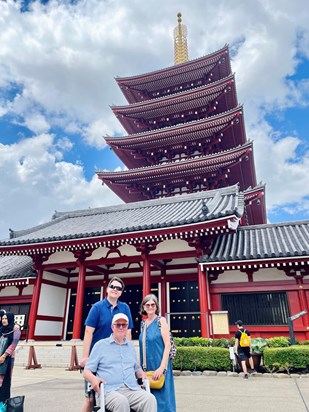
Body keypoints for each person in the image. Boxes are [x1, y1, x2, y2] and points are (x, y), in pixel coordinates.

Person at [83, 313, 157, 412]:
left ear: (127, 327)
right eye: (118, 325)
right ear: (112, 327)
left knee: (150, 399)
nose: (121, 327)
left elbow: (136, 368)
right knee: (121, 402)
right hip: (109, 391)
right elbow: (86, 372)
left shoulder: (130, 346)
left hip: (131, 389)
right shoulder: (100, 345)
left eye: (124, 325)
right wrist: (93, 379)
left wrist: (142, 374)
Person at [80, 277, 134, 412]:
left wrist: (129, 355)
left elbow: (128, 333)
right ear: (107, 289)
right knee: (90, 398)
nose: (115, 290)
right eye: (112, 287)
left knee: (120, 396)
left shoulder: (124, 308)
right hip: (98, 357)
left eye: (119, 288)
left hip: (117, 358)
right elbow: (88, 332)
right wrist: (86, 357)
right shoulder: (97, 307)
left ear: (121, 292)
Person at [139, 294, 176, 412]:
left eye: (152, 304)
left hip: (160, 364)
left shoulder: (161, 321)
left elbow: (168, 345)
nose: (150, 307)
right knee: (149, 399)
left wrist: (162, 367)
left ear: (156, 307)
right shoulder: (143, 324)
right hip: (147, 366)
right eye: (147, 305)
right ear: (143, 307)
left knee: (163, 401)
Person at [0, 312, 21, 408]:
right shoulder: (1, 330)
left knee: (4, 381)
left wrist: (4, 356)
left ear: (10, 319)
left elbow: (14, 344)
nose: (4, 320)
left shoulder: (15, 331)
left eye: (6, 318)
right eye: (3, 318)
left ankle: (3, 404)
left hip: (7, 360)